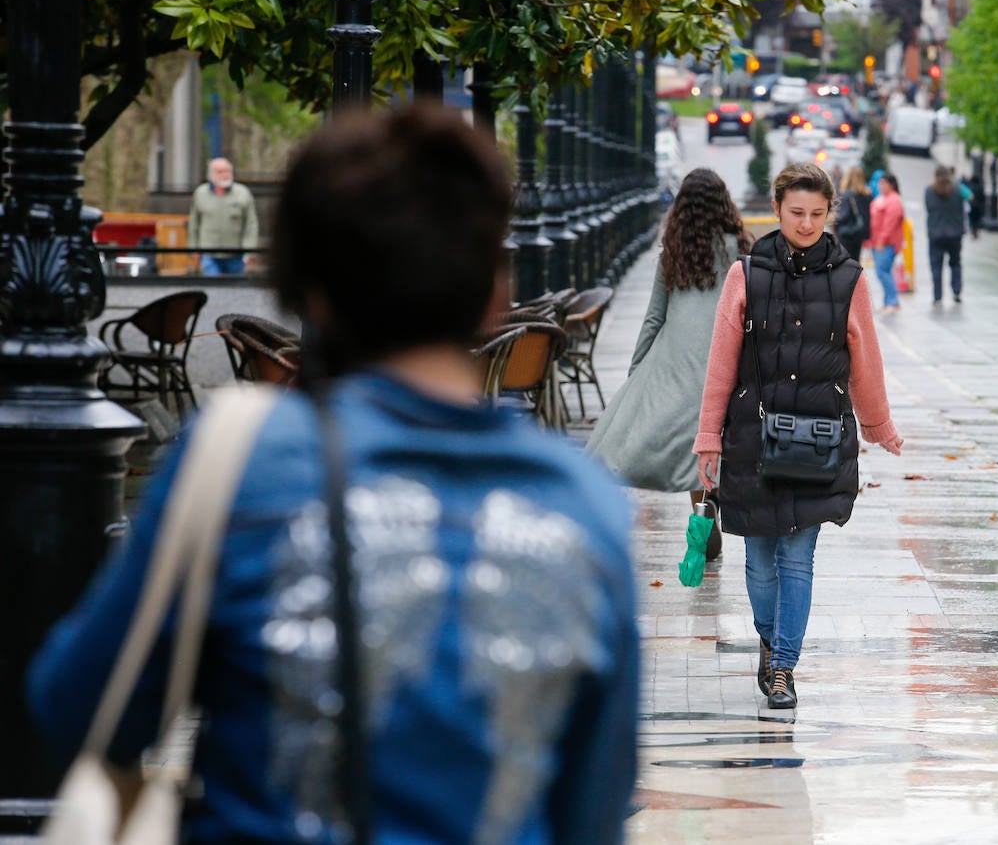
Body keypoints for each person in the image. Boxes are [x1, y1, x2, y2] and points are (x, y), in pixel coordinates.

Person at [28, 103, 639, 842]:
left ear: (312, 295)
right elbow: (593, 807)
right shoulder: (583, 506)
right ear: (494, 295)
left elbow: (80, 707)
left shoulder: (249, 460)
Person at [693, 163, 903, 710]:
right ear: (778, 207)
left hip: (818, 439)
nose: (806, 223)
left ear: (829, 212)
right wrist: (708, 439)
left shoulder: (850, 279)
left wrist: (879, 424)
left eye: (816, 214)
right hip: (751, 439)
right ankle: (769, 641)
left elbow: (865, 362)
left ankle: (784, 666)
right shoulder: (746, 274)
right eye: (796, 212)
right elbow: (721, 365)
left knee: (797, 560)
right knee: (759, 562)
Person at [587, 167, 749, 561]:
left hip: (677, 363)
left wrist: (636, 373)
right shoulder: (743, 251)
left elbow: (653, 319)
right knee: (724, 438)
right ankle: (713, 505)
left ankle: (703, 512)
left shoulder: (674, 253)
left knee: (693, 445)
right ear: (724, 204)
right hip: (729, 356)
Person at [189, 157, 260, 275]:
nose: (225, 175)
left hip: (235, 253)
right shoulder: (200, 193)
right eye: (220, 172)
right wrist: (194, 249)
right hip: (208, 253)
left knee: (235, 289)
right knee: (212, 287)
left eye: (227, 171)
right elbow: (194, 224)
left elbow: (251, 224)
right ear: (211, 174)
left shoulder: (243, 193)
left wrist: (250, 250)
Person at [925, 165, 967, 304]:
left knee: (936, 265)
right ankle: (956, 291)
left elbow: (929, 208)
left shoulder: (929, 191)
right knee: (955, 264)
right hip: (955, 234)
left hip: (936, 234)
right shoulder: (957, 190)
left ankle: (937, 296)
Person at [868, 172, 905, 312]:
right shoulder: (880, 198)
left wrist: (882, 240)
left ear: (892, 185)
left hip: (886, 243)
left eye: (884, 183)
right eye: (880, 183)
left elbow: (890, 223)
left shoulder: (894, 200)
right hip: (876, 241)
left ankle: (893, 301)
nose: (881, 186)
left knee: (882, 271)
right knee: (882, 271)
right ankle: (888, 301)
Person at [833, 165, 872, 262]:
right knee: (855, 261)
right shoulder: (866, 194)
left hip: (846, 234)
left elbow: (844, 217)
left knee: (843, 262)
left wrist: (835, 218)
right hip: (859, 233)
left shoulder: (847, 195)